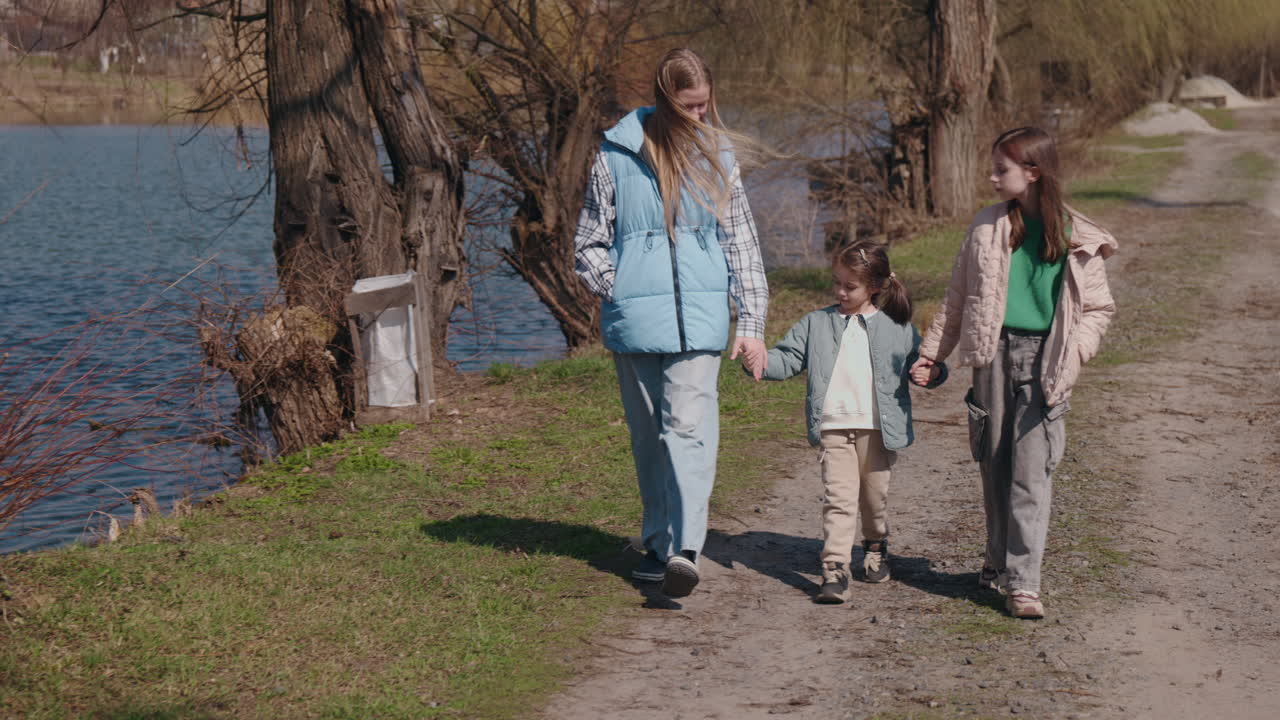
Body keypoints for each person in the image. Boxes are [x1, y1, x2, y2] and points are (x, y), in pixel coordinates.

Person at [573, 48, 769, 598]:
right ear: (665, 102)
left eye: (706, 106)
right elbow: (588, 244)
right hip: (635, 325)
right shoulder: (614, 156)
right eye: (690, 107)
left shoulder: (718, 155)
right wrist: (621, 289)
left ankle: (686, 548)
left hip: (702, 322)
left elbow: (743, 243)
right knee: (649, 440)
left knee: (686, 429)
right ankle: (656, 543)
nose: (701, 117)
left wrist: (750, 322)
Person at [910, 126, 1118, 620]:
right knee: (995, 465)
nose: (991, 176)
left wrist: (1077, 352)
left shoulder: (1078, 237)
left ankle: (1023, 583)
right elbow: (958, 299)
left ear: (1033, 172)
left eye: (1001, 169)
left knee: (1031, 474)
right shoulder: (985, 227)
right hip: (992, 357)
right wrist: (931, 354)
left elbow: (1098, 309)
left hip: (1046, 362)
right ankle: (996, 560)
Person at [754, 240, 946, 604]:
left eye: (849, 286)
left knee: (874, 499)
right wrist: (760, 362)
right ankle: (836, 568)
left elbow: (922, 363)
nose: (840, 291)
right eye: (836, 283)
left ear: (873, 287)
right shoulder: (816, 322)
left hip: (878, 430)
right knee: (839, 499)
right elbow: (788, 359)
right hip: (833, 427)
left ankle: (875, 545)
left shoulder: (897, 327)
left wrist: (931, 372)